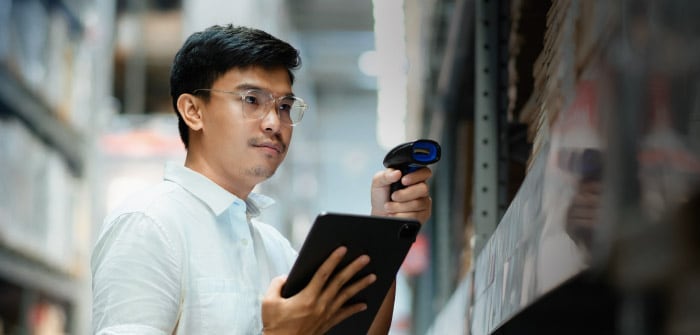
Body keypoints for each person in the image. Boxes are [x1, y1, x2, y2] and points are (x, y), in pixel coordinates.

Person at [91, 24, 433, 334]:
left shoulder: (273, 248)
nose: (273, 122)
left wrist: (388, 230)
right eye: (251, 100)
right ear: (193, 111)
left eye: (285, 107)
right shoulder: (149, 225)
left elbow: (358, 331)